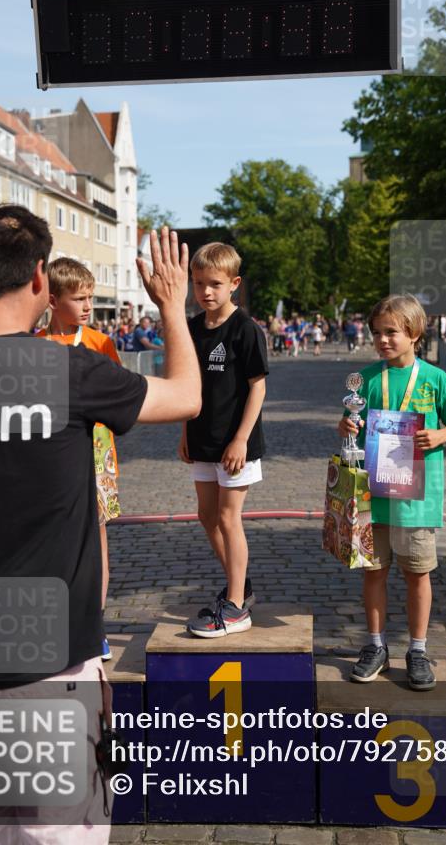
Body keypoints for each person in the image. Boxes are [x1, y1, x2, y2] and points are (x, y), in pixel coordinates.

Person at [0, 199, 200, 845]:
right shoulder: (63, 370)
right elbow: (186, 395)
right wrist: (171, 307)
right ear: (40, 277)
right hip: (50, 674)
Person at [337, 294, 446, 691]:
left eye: (391, 332)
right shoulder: (365, 379)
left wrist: (441, 434)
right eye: (376, 333)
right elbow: (351, 424)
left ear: (413, 333)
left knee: (417, 574)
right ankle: (375, 645)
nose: (382, 340)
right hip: (373, 496)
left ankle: (417, 648)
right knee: (374, 572)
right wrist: (345, 428)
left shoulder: (435, 379)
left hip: (416, 500)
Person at [178, 242, 268, 637]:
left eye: (214, 283)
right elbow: (188, 386)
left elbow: (257, 388)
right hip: (201, 437)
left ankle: (235, 607)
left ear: (234, 283)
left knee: (230, 519)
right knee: (206, 516)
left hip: (236, 443)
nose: (206, 291)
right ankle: (240, 583)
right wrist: (184, 430)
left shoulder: (246, 329)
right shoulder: (192, 328)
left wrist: (241, 440)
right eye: (198, 283)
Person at [37, 257, 124, 663]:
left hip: (97, 454)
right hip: (49, 458)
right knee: (54, 540)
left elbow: (121, 397)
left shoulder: (100, 344)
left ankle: (96, 623)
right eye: (80, 298)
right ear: (53, 301)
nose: (88, 306)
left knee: (97, 542)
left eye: (91, 297)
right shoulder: (33, 344)